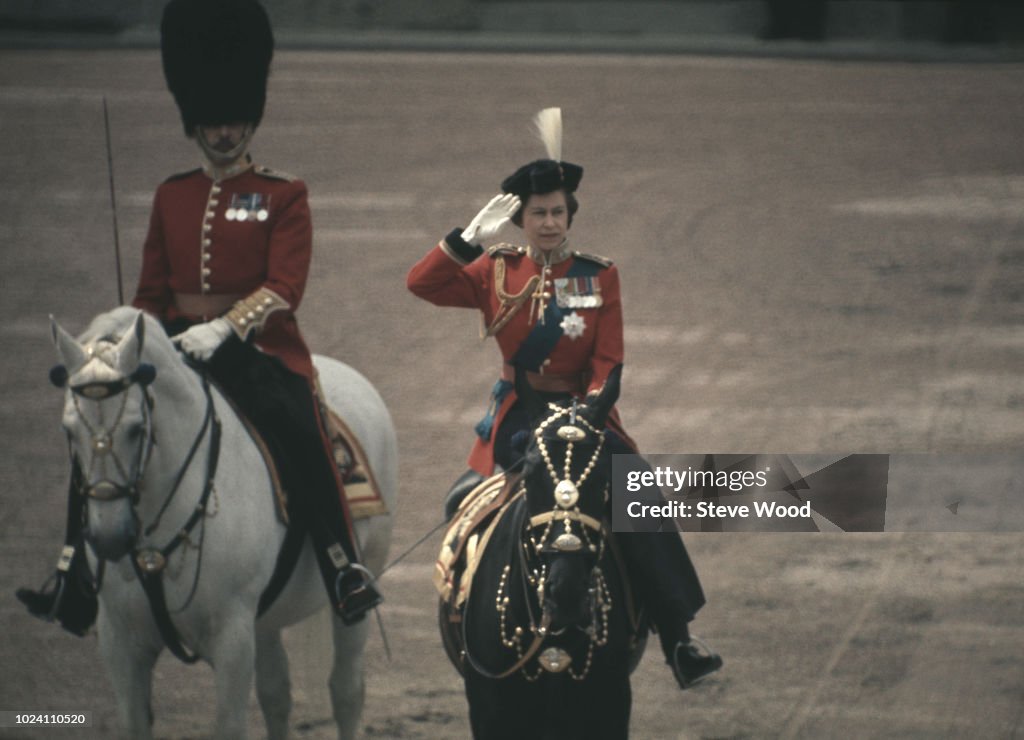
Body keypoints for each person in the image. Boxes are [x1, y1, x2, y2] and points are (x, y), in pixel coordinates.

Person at [18, 0, 381, 631]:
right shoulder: (172, 194)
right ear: (195, 122)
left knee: (299, 423)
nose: (222, 132)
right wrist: (120, 337)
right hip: (172, 348)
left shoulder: (282, 192)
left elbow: (285, 286)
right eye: (212, 121)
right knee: (99, 425)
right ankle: (75, 570)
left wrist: (228, 326)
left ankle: (339, 560)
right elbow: (151, 292)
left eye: (233, 119)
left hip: (259, 349)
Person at [407, 108, 722, 689]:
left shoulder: (599, 276)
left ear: (569, 215)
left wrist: (592, 410)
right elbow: (421, 283)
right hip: (519, 415)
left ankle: (678, 638)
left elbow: (608, 362)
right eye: (537, 214)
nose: (548, 223)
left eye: (557, 212)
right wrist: (465, 239)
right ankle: (465, 622)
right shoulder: (494, 270)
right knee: (466, 507)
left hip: (585, 413)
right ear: (520, 219)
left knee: (643, 500)